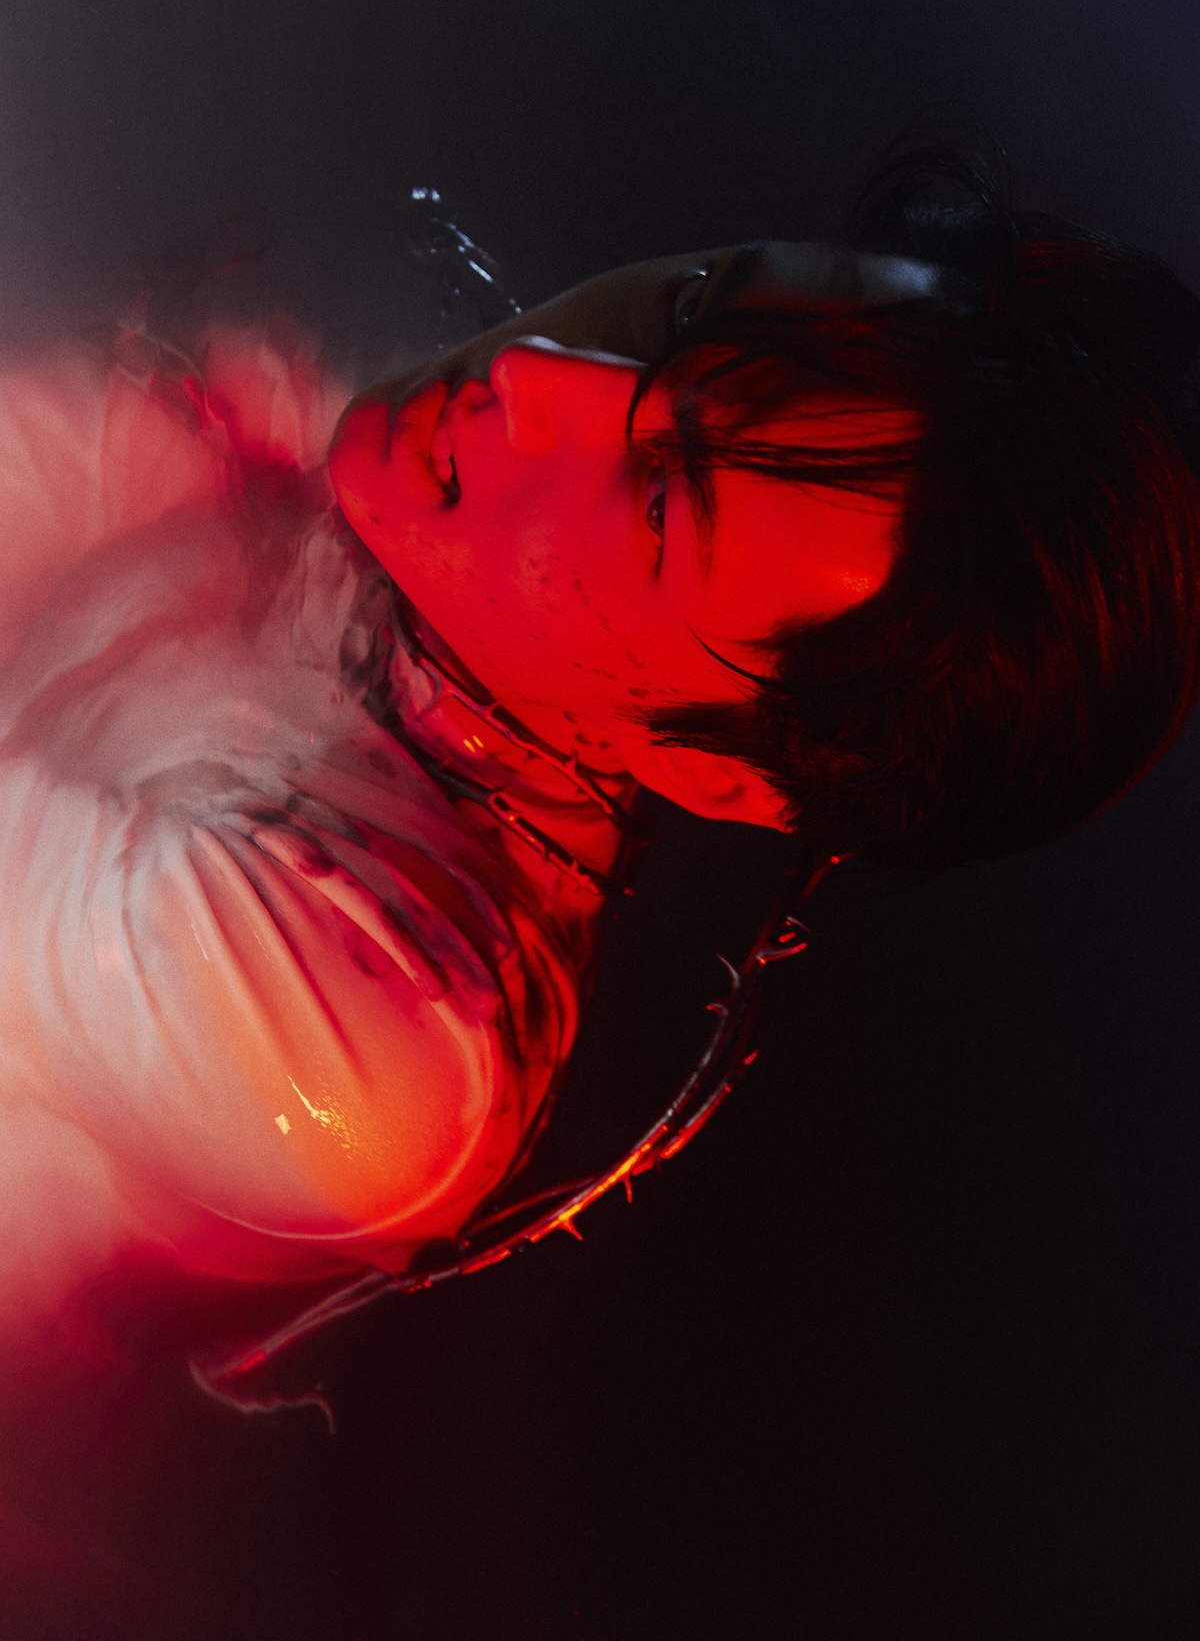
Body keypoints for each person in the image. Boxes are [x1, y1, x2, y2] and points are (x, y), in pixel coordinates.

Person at [1, 147, 1198, 1324]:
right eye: (690, 308)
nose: (539, 370)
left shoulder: (368, 1051)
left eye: (665, 503)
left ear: (710, 772)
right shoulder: (361, 425)